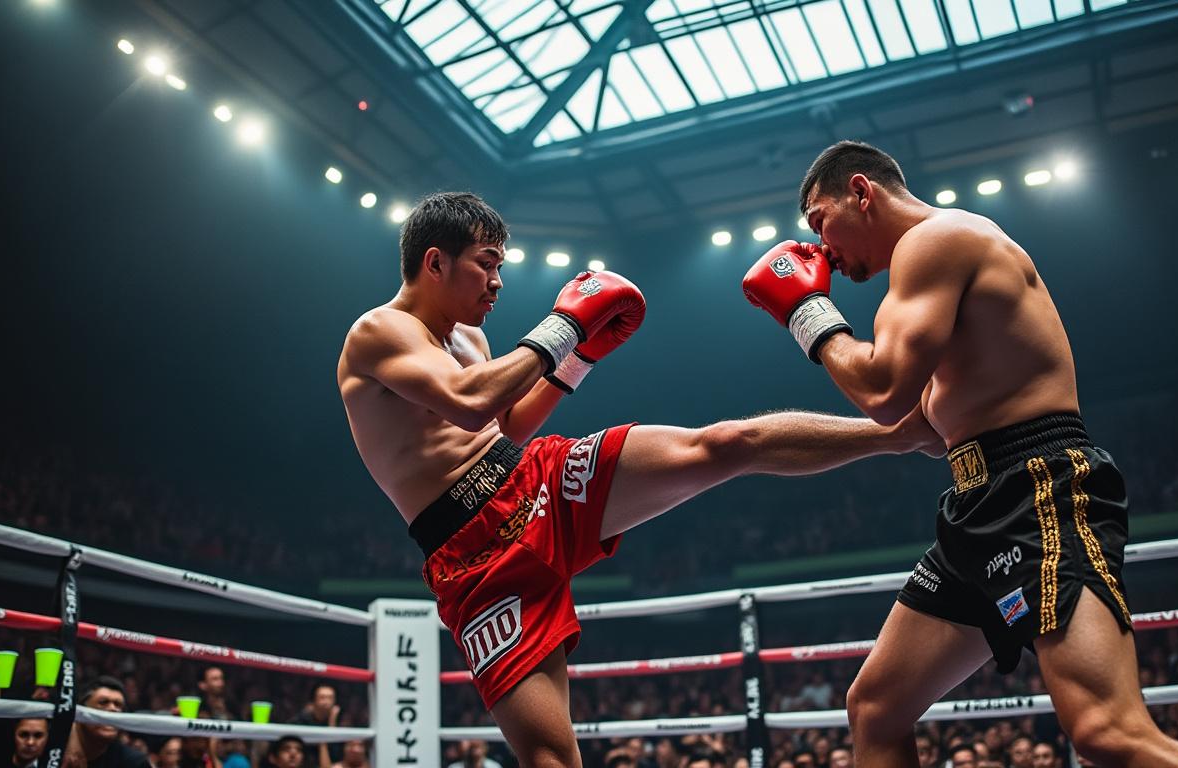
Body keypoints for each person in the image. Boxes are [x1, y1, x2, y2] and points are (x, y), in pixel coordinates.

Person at [337, 192, 941, 765]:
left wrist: (580, 356)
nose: (497, 281)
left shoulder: (469, 335)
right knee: (551, 756)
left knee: (724, 444)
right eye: (486, 264)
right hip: (472, 552)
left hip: (534, 479)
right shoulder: (377, 332)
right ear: (434, 262)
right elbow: (466, 403)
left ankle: (900, 435)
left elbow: (508, 424)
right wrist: (564, 325)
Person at [741, 140, 1178, 768]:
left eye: (819, 220)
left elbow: (884, 391)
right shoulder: (934, 285)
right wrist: (758, 445)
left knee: (1108, 733)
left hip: (1039, 487)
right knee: (876, 708)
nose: (820, 248)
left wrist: (809, 314)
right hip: (978, 507)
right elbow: (910, 427)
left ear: (861, 192)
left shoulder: (936, 241)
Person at [65, 677, 151, 768]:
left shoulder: (133, 762)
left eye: (118, 705)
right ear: (82, 710)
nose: (113, 709)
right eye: (103, 702)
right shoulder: (54, 746)